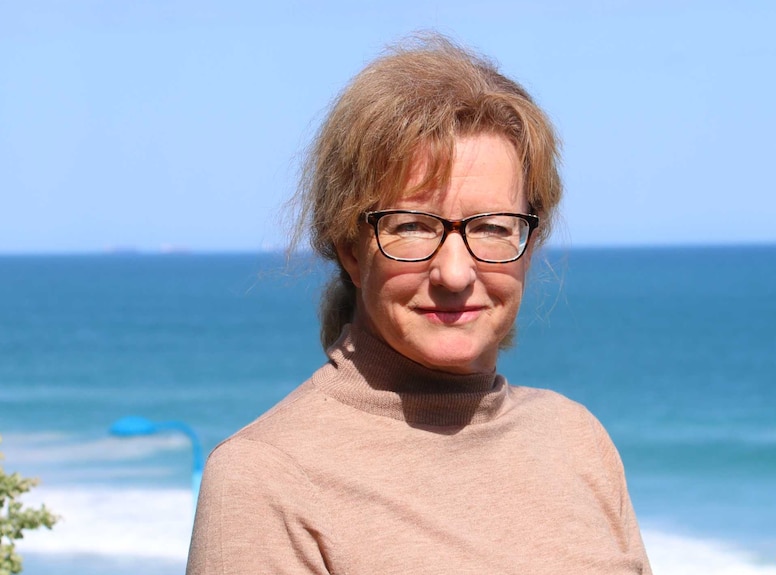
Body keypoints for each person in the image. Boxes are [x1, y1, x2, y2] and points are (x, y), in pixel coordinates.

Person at [186, 35, 652, 574]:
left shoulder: (576, 442)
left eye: (493, 228)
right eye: (412, 227)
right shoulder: (266, 478)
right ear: (350, 249)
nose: (454, 273)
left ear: (530, 245)